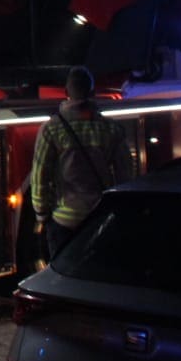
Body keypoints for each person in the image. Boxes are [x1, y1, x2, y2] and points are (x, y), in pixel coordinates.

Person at [30, 66, 136, 259]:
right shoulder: (110, 129)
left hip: (64, 222)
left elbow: (40, 176)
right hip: (99, 219)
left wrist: (41, 215)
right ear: (92, 92)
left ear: (66, 92)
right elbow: (125, 175)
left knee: (65, 281)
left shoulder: (51, 129)